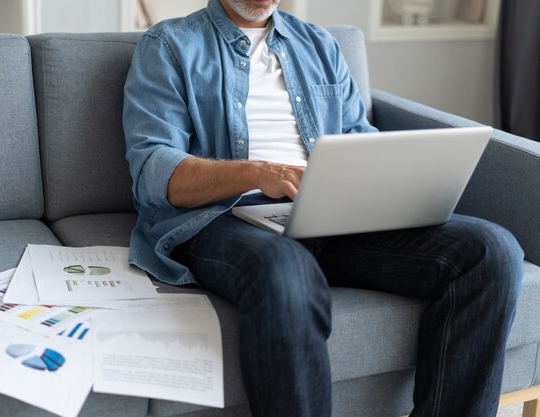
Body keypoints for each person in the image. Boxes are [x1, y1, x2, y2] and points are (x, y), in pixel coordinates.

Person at [123, 1, 524, 416]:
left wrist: (392, 182)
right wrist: (256, 173)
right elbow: (153, 172)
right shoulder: (169, 45)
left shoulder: (318, 44)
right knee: (287, 272)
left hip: (331, 213)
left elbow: (359, 139)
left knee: (492, 251)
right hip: (223, 218)